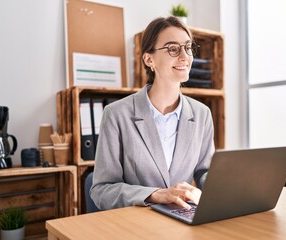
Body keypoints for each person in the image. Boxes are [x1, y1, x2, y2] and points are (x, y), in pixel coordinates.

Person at [90, 16, 215, 210]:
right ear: (149, 59)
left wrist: (223, 188)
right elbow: (101, 190)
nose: (185, 56)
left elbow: (204, 172)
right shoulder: (116, 114)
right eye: (173, 49)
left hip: (182, 217)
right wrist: (155, 195)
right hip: (136, 224)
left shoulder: (202, 114)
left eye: (188, 47)